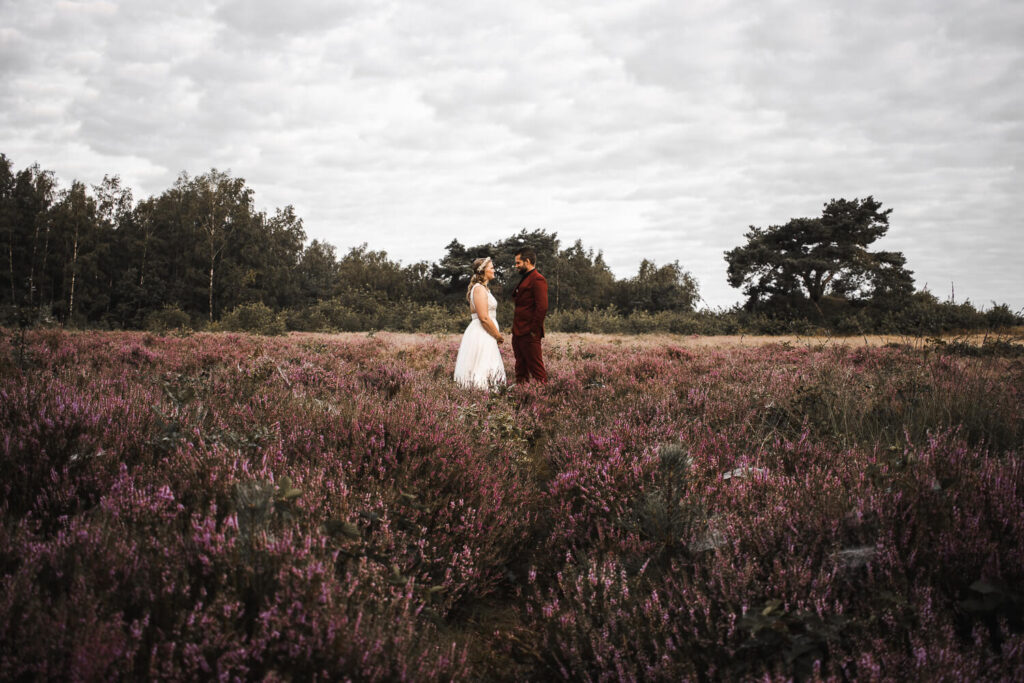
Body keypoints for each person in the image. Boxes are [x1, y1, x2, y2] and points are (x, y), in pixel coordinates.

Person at [453, 257, 507, 390]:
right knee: (481, 365)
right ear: (483, 271)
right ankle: (481, 395)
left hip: (487, 333)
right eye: (492, 267)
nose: (494, 270)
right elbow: (483, 317)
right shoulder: (479, 289)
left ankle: (488, 396)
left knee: (488, 364)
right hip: (483, 333)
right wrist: (497, 335)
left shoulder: (485, 289)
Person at [511, 247, 548, 383]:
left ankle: (545, 399)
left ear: (527, 261)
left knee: (537, 370)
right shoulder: (525, 278)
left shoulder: (538, 280)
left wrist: (533, 330)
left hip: (529, 333)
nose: (516, 266)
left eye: (518, 263)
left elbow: (542, 307)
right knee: (520, 368)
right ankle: (522, 397)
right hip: (518, 332)